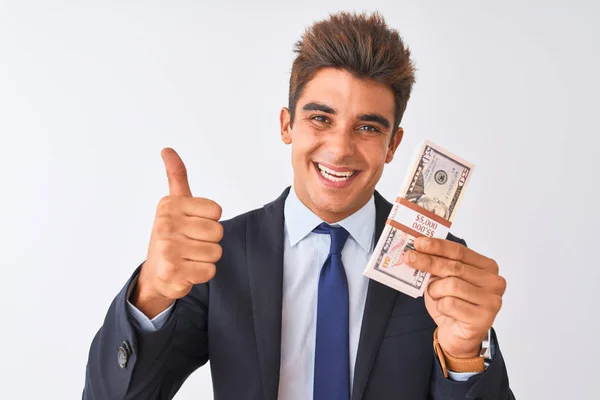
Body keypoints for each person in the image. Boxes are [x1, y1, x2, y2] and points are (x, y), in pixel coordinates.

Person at [82, 11, 514, 400]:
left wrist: (462, 358)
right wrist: (153, 293)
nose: (341, 148)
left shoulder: (441, 262)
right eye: (320, 118)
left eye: (367, 127)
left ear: (392, 145)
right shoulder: (219, 256)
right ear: (287, 124)